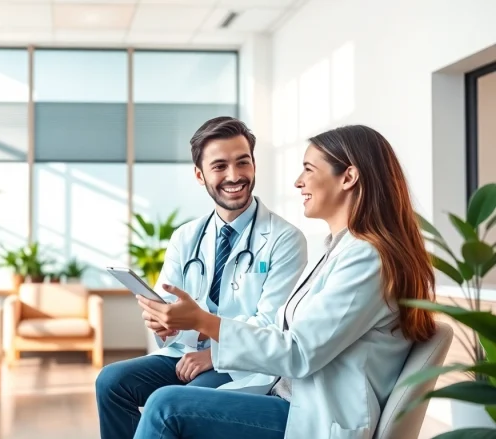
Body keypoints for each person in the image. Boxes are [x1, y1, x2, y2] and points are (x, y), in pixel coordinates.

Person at [133, 124, 437, 439]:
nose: (298, 181)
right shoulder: (339, 250)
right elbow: (283, 332)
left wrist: (203, 322)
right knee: (148, 393)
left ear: (348, 177)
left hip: (316, 416)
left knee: (167, 406)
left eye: (308, 169)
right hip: (287, 395)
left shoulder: (367, 259)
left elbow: (299, 352)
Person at [95, 117, 308, 439]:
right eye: (219, 166)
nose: (234, 176)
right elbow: (169, 302)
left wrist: (213, 355)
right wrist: (163, 322)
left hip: (243, 365)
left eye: (243, 162)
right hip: (184, 354)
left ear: (254, 165)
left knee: (183, 399)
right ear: (200, 175)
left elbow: (272, 325)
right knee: (111, 382)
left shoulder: (285, 239)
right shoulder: (186, 236)